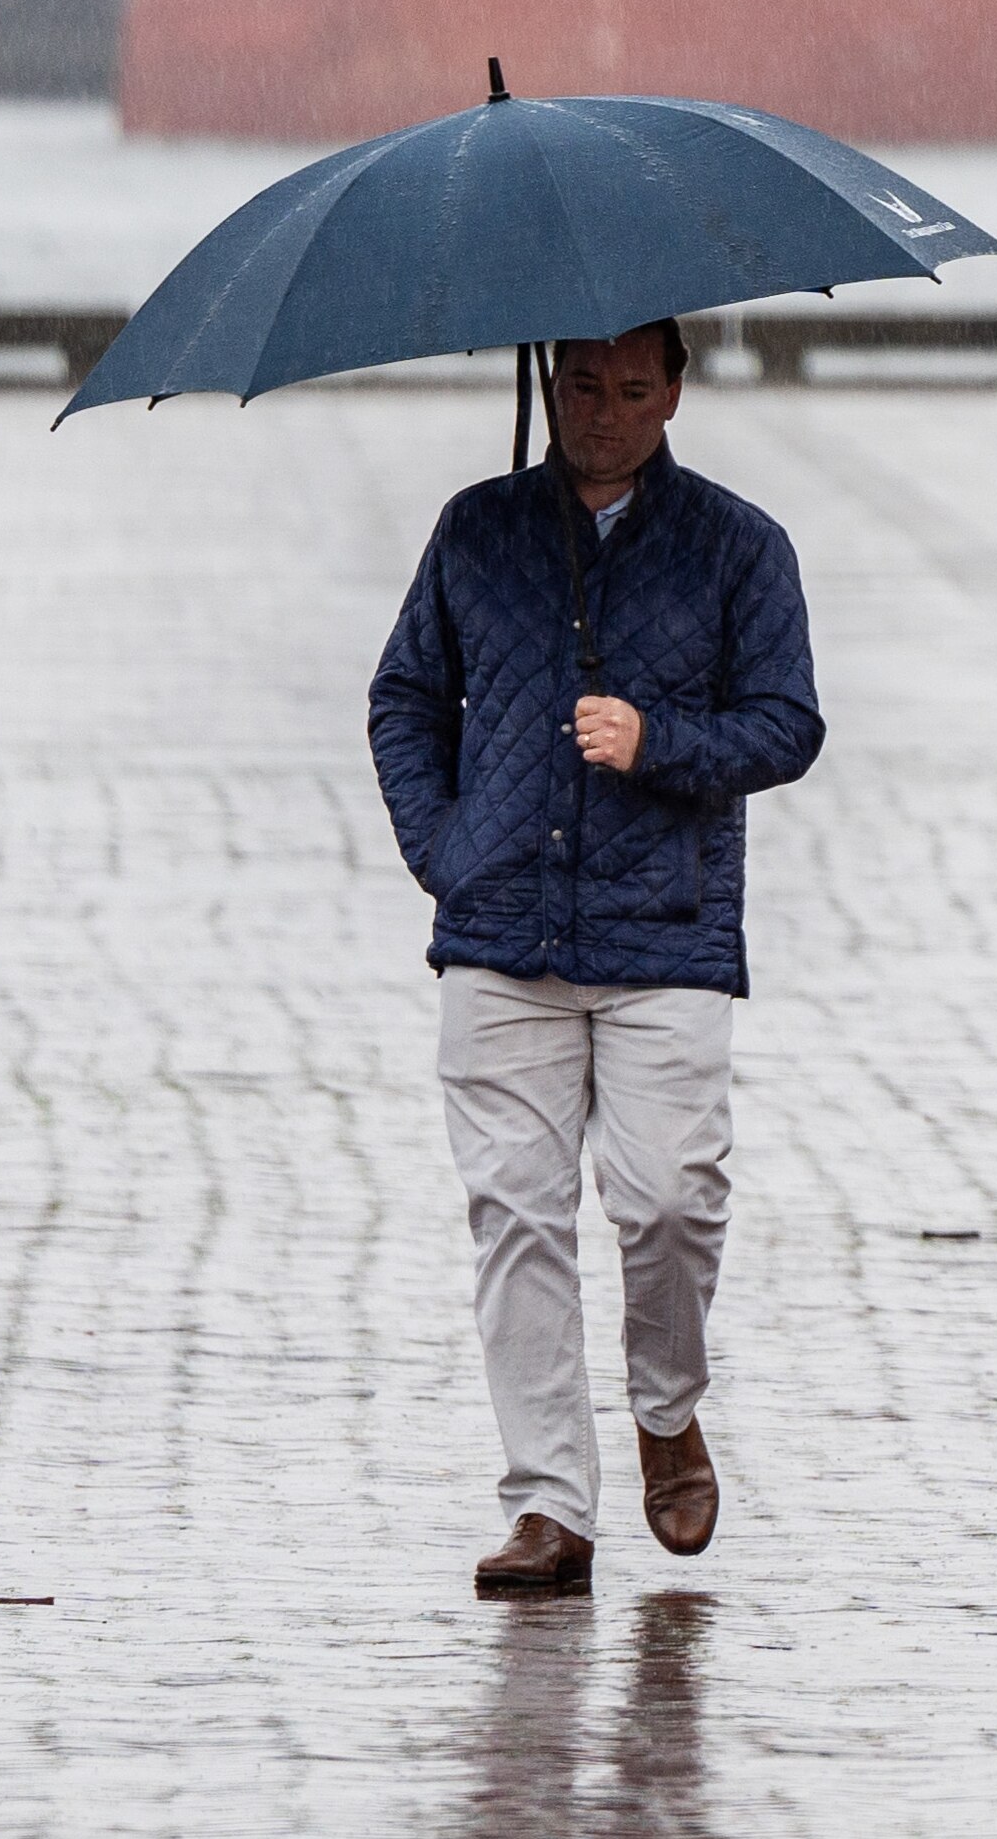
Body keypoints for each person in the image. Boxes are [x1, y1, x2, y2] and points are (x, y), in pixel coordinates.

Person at [367, 317, 824, 1596]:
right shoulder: (478, 531)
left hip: (664, 930)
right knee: (514, 1216)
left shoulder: (741, 546)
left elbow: (788, 722)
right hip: (499, 931)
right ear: (547, 376)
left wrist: (658, 739)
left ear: (676, 389)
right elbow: (405, 695)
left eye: (633, 388)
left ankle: (668, 1408)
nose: (603, 412)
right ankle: (550, 1505)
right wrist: (446, 848)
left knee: (670, 1196)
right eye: (580, 384)